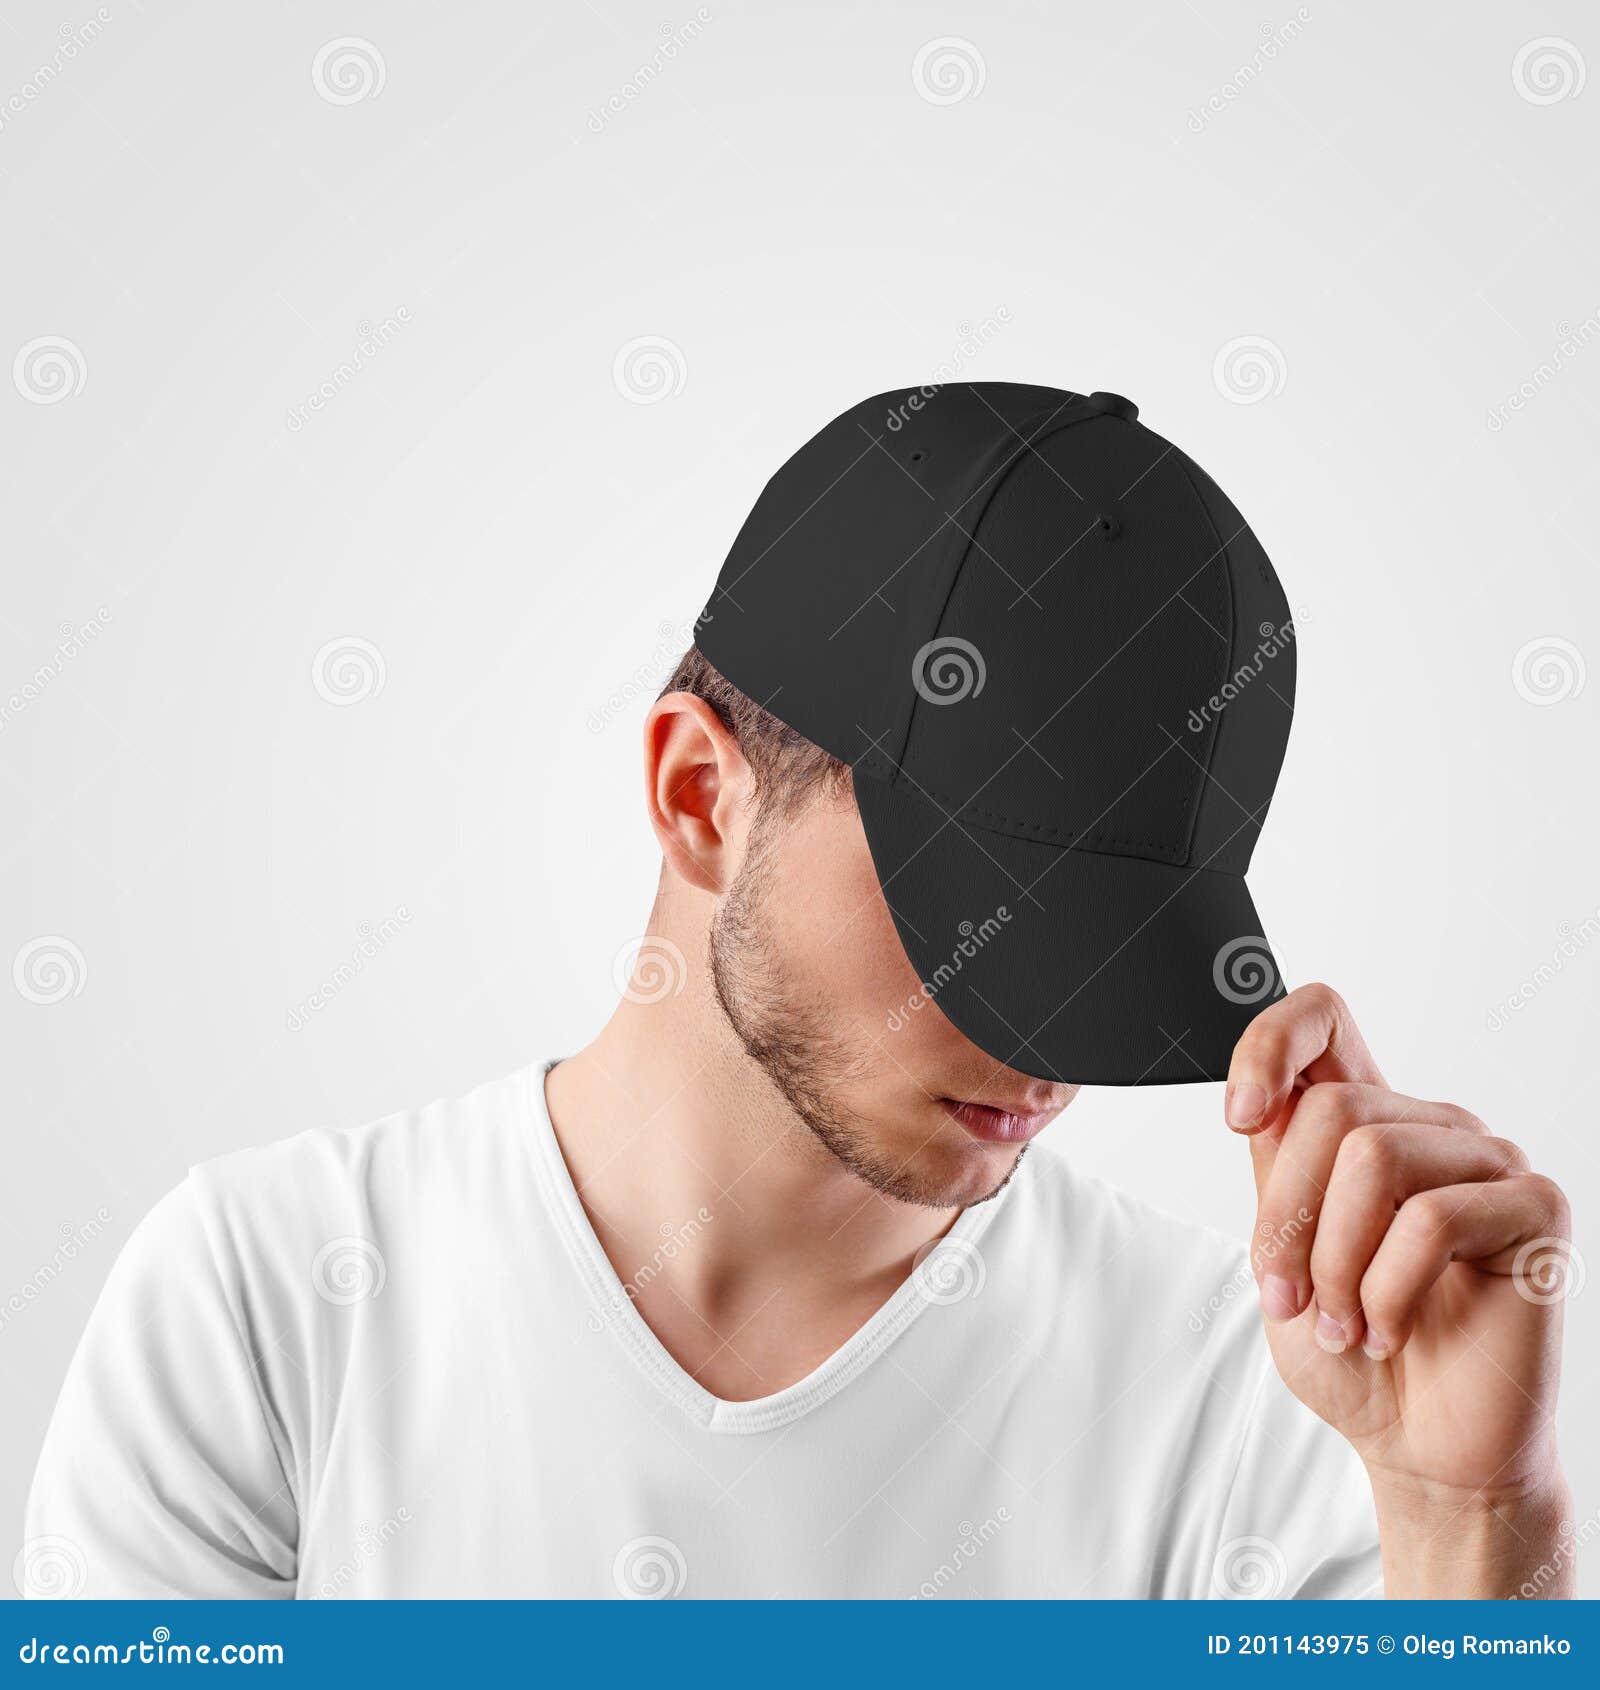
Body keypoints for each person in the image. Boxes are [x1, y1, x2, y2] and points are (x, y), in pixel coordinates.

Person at [24, 386, 1572, 1600]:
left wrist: (1467, 1529)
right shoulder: (265, 1311)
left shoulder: (1269, 1402)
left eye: (1115, 946)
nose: (1051, 1047)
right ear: (701, 798)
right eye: (993, 917)